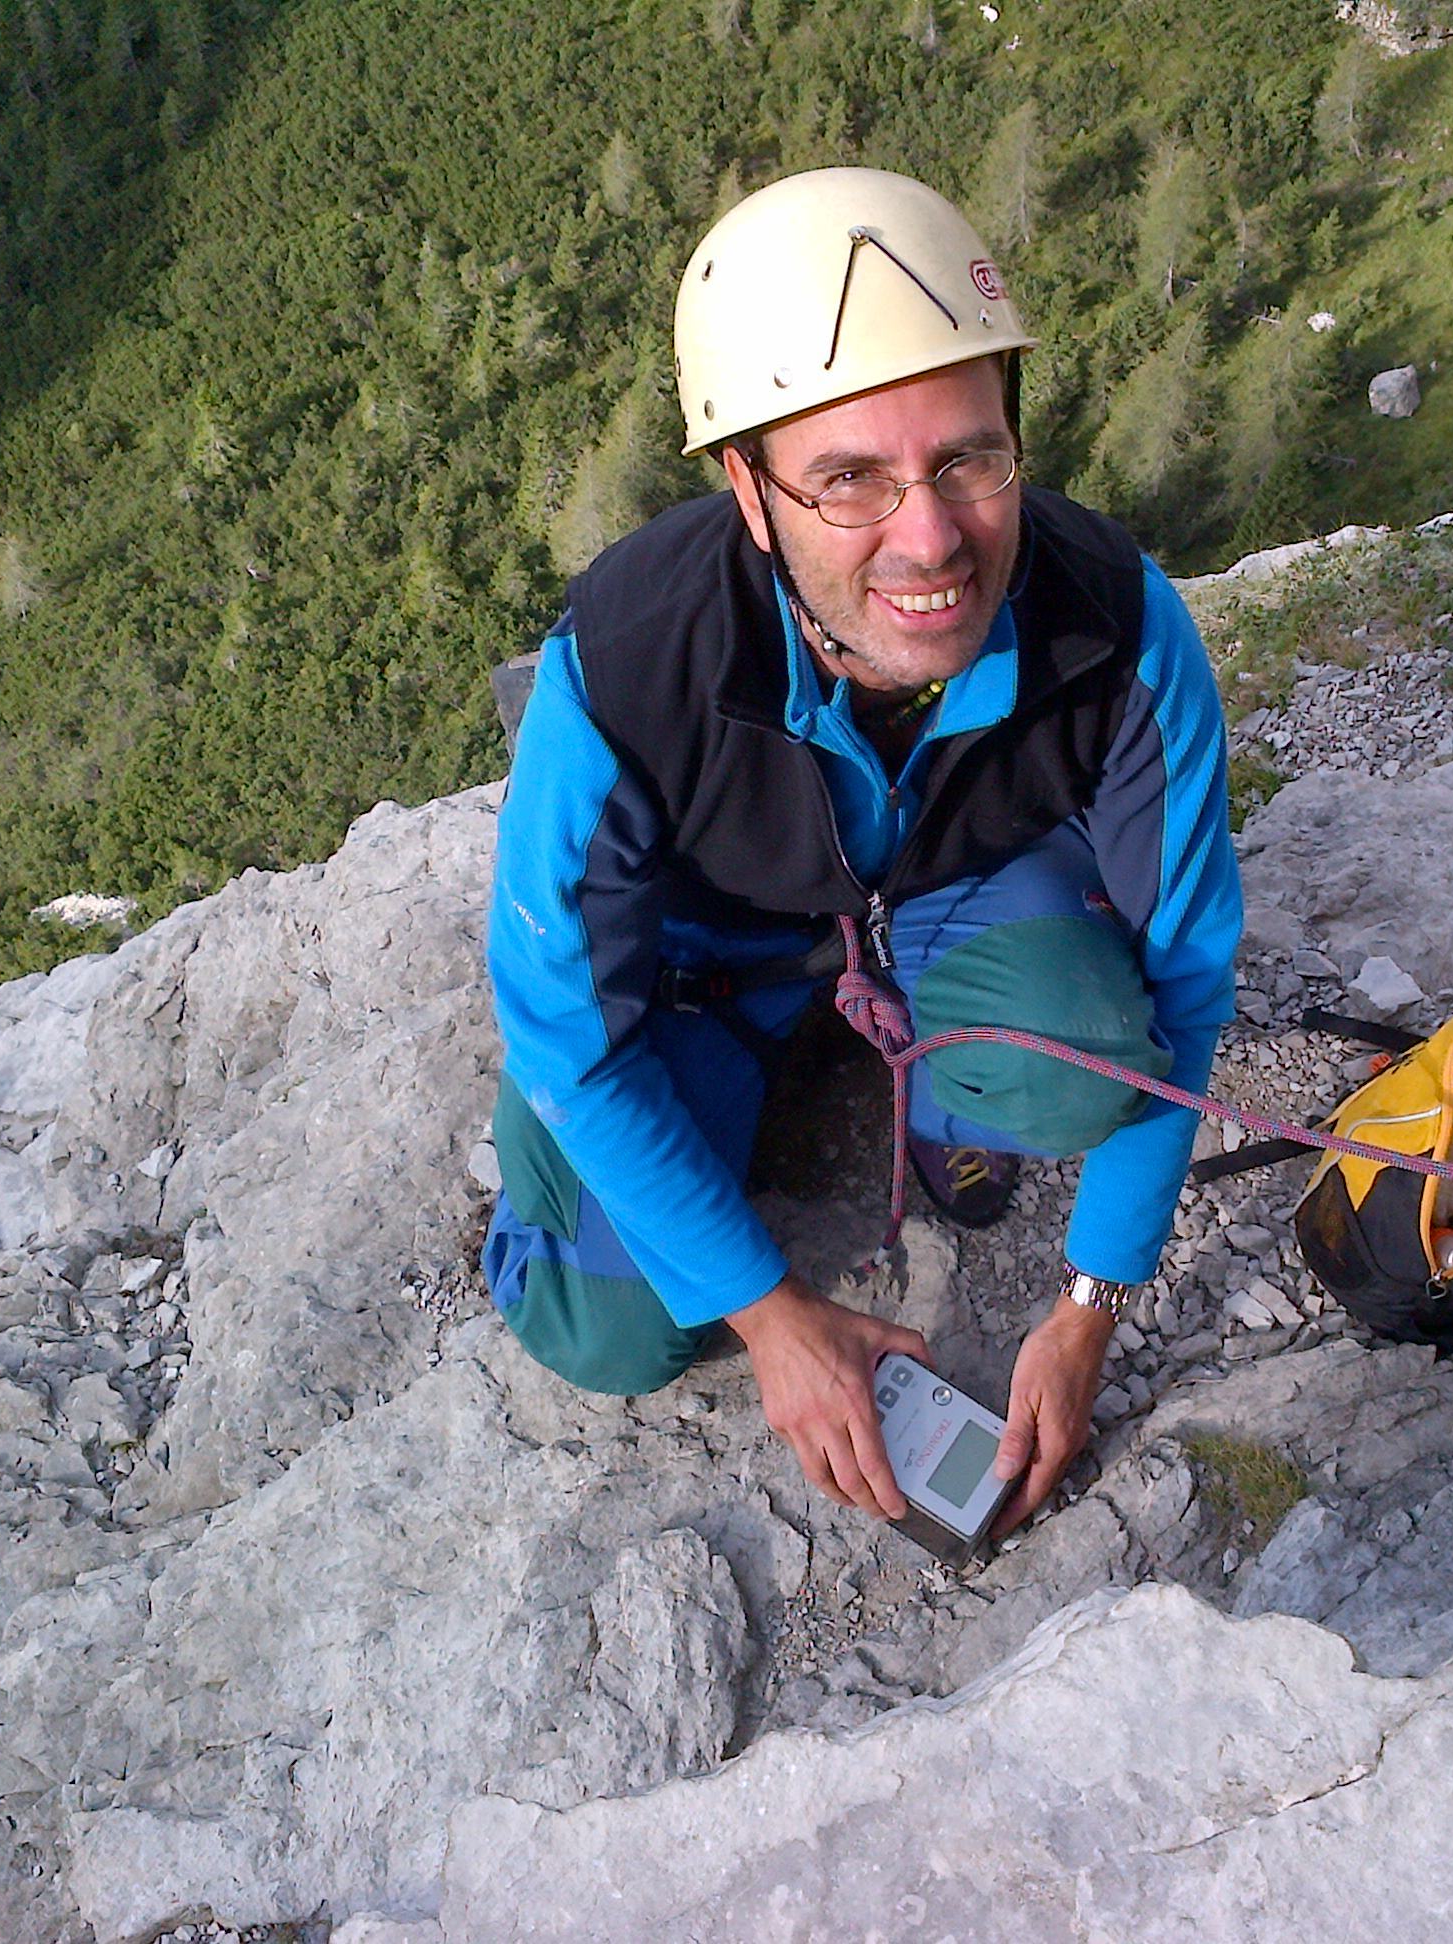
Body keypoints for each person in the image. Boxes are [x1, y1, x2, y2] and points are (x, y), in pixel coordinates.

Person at [482, 167, 1241, 1535]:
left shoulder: (1117, 635)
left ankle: (938, 1080)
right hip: (712, 968)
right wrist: (771, 1316)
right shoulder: (629, 664)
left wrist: (1091, 1310)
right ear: (749, 491)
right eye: (850, 482)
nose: (932, 535)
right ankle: (625, 1159)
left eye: (970, 459)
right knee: (604, 1330)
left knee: (1083, 1067)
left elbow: (1185, 979)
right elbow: (567, 1034)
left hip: (952, 887)